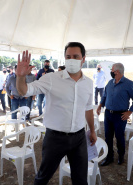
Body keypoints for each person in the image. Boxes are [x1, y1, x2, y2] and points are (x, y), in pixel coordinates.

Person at [16, 42, 97, 185]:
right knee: (43, 177)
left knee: (81, 179)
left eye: (76, 56)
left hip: (79, 138)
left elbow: (88, 108)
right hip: (55, 138)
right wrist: (20, 77)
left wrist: (92, 130)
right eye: (68, 56)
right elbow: (24, 91)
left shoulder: (88, 83)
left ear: (83, 59)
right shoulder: (52, 79)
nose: (71, 60)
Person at [97, 63, 133, 166]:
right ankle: (109, 157)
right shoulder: (110, 83)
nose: (111, 72)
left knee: (119, 136)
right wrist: (100, 105)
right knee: (108, 136)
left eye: (112, 70)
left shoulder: (128, 84)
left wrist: (129, 112)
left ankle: (121, 156)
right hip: (108, 114)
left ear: (117, 71)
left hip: (120, 115)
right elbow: (105, 96)